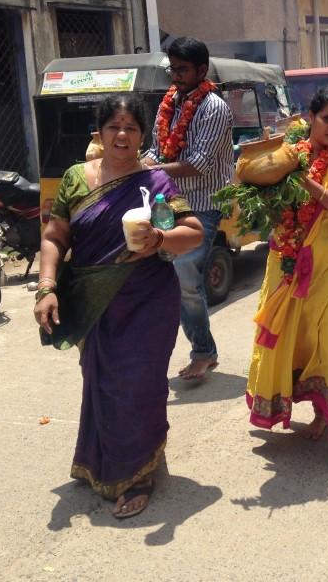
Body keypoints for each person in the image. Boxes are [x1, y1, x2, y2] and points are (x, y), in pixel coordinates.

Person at [35, 96, 204, 518]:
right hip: (94, 303)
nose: (122, 135)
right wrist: (47, 285)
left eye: (131, 127)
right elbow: (55, 237)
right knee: (103, 384)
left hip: (147, 300)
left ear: (143, 135)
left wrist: (160, 239)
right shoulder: (76, 179)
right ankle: (104, 461)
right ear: (100, 132)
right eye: (114, 126)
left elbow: (192, 231)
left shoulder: (154, 184)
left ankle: (136, 474)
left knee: (138, 386)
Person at [246, 86, 328, 466]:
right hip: (289, 263)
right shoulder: (291, 157)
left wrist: (307, 184)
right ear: (310, 118)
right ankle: (315, 412)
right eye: (326, 119)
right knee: (295, 339)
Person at [143, 37, 234, 382]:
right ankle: (197, 350)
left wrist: (148, 170)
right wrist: (132, 165)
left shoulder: (214, 107)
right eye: (173, 69)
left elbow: (199, 164)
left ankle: (202, 352)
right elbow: (157, 150)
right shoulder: (170, 103)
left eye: (182, 69)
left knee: (185, 276)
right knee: (166, 278)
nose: (176, 76)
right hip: (169, 202)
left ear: (201, 70)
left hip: (205, 203)